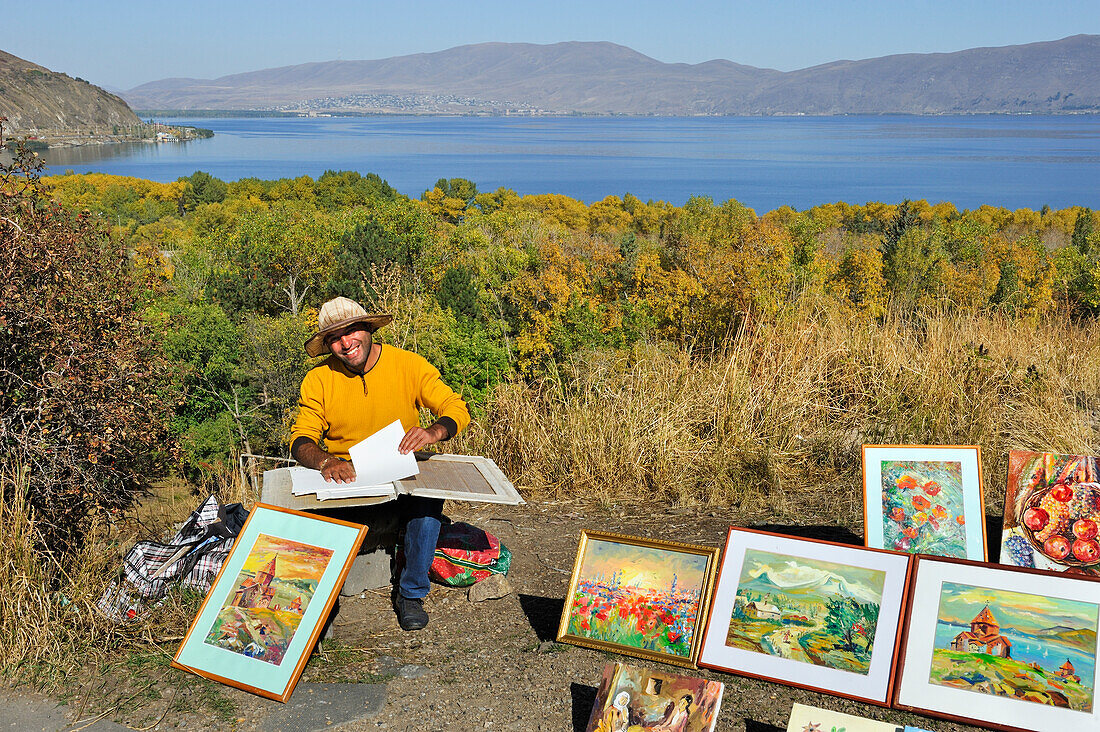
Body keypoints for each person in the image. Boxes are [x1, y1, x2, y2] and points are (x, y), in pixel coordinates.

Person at [289, 296, 471, 631]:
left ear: (368, 328)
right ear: (328, 345)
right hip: (348, 478)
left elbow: (455, 407)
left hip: (400, 470)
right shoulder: (318, 379)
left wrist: (433, 431)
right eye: (335, 338)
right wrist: (326, 461)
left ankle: (411, 593)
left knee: (428, 504)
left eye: (352, 331)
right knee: (306, 513)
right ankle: (319, 608)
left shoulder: (409, 364)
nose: (346, 343)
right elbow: (301, 438)